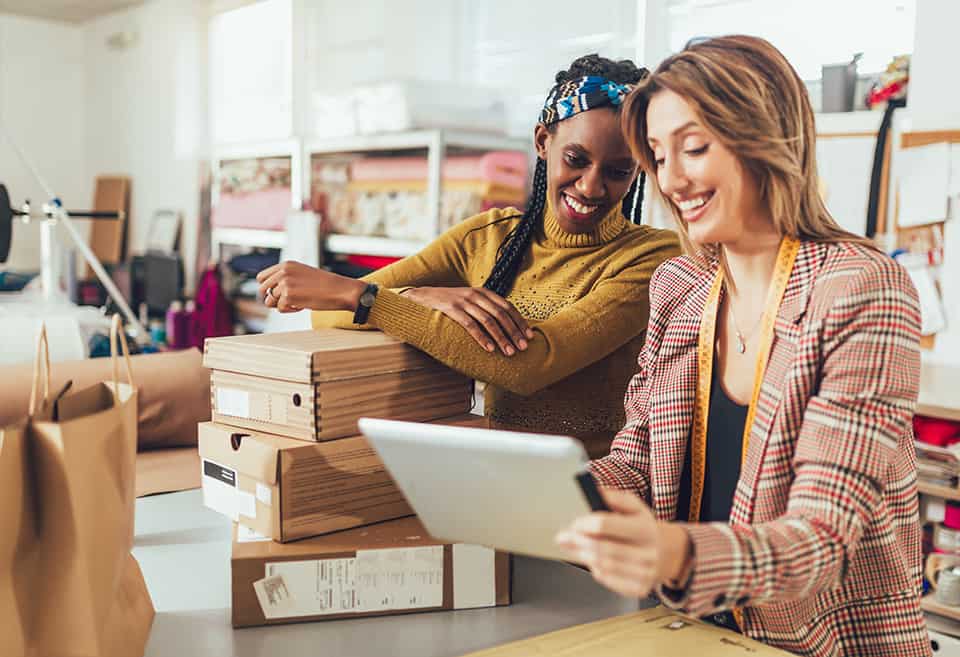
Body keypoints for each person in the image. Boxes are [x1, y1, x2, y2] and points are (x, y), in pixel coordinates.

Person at [556, 35, 930, 656]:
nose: (672, 179)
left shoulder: (860, 290)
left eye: (694, 148)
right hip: (693, 634)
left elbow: (821, 540)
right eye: (657, 154)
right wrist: (564, 493)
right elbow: (639, 464)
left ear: (764, 139)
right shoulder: (681, 290)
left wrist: (673, 553)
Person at [256, 54, 679, 454]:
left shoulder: (652, 259)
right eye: (576, 159)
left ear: (639, 168)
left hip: (598, 498)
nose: (590, 186)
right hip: (493, 483)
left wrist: (367, 298)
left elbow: (530, 364)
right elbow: (326, 312)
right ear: (542, 141)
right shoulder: (487, 238)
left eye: (617, 171)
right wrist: (413, 296)